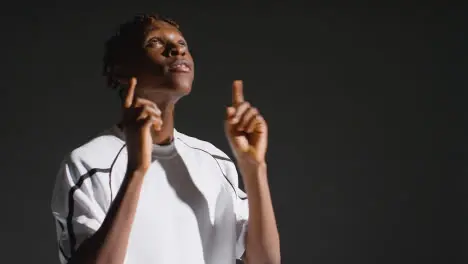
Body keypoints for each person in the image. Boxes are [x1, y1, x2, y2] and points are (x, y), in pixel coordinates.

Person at [51, 14, 280, 264]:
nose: (177, 50)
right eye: (155, 42)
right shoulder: (89, 163)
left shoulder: (214, 162)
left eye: (183, 45)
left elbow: (266, 261)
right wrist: (136, 170)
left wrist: (254, 168)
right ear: (120, 71)